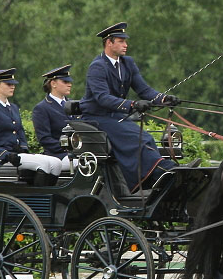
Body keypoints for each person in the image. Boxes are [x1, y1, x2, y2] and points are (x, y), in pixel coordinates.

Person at [80, 22, 191, 191]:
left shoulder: (127, 63)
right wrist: (132, 104)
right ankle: (159, 172)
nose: (126, 45)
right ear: (109, 43)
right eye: (121, 41)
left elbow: (144, 90)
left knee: (145, 137)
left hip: (115, 116)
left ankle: (156, 173)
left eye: (125, 41)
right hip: (96, 118)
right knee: (140, 139)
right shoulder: (97, 67)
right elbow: (103, 98)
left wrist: (163, 98)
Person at [0, 68, 67, 186]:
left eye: (13, 84)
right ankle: (37, 198)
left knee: (56, 163)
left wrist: (23, 148)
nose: (13, 87)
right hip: (0, 160)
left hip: (17, 155)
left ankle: (46, 199)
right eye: (8, 84)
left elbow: (20, 132)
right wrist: (6, 155)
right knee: (45, 165)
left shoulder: (13, 107)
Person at [32, 64, 77, 159]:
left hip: (78, 152)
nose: (69, 84)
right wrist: (69, 147)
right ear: (53, 84)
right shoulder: (42, 108)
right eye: (65, 82)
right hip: (56, 156)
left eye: (69, 82)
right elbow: (45, 139)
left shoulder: (74, 105)